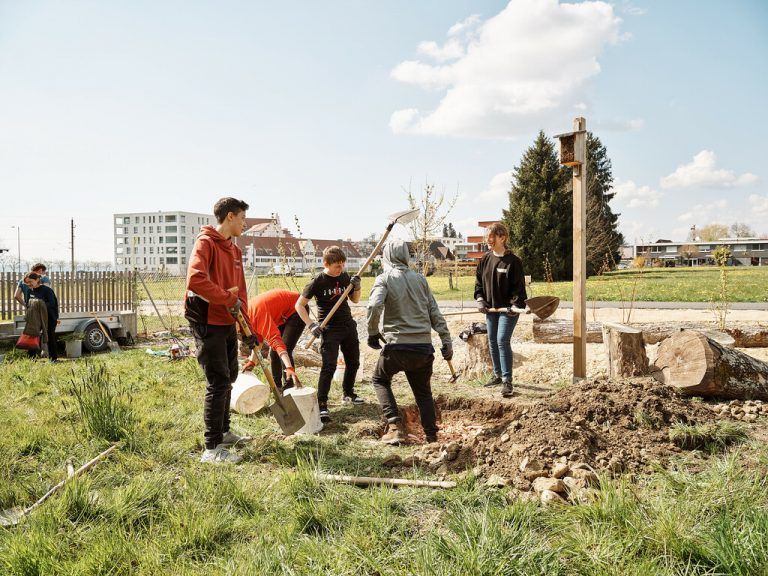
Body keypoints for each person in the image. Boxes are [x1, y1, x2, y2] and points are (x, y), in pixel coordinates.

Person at [184, 197, 257, 465]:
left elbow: (242, 294)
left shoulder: (235, 251)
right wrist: (227, 299)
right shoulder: (206, 243)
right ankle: (211, 448)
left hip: (227, 320)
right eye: (242, 218)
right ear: (229, 217)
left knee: (231, 375)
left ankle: (224, 431)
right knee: (218, 381)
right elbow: (195, 279)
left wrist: (246, 327)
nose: (244, 223)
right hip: (206, 319)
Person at [366, 240, 452, 445]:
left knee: (380, 379)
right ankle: (431, 436)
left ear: (387, 257)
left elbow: (374, 306)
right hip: (423, 350)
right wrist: (446, 340)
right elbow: (435, 313)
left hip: (397, 348)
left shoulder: (384, 278)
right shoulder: (421, 280)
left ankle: (395, 426)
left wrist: (372, 332)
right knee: (423, 392)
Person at [295, 245, 362, 422]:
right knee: (329, 367)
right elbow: (299, 305)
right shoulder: (317, 281)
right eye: (337, 266)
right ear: (326, 263)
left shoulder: (345, 276)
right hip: (330, 329)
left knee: (353, 362)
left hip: (348, 325)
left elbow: (355, 300)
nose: (341, 269)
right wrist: (311, 325)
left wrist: (357, 287)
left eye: (342, 265)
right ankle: (322, 404)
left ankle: (348, 394)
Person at [474, 222, 527, 398]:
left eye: (491, 237)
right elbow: (478, 284)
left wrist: (515, 305)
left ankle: (507, 381)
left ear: (502, 237)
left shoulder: (513, 262)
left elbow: (519, 289)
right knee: (492, 341)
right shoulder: (485, 260)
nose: (487, 240)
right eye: (486, 237)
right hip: (491, 309)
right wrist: (480, 300)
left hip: (508, 309)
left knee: (502, 340)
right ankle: (497, 375)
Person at [242, 288, 304, 390]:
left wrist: (289, 367)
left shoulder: (256, 315)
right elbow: (259, 340)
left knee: (285, 349)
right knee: (273, 353)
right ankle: (276, 387)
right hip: (282, 312)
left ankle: (289, 388)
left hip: (297, 308)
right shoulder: (246, 318)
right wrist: (252, 361)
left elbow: (276, 341)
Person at [24, 272, 59, 361]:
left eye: (30, 281)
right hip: (36, 318)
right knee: (33, 335)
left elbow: (52, 304)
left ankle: (53, 359)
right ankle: (31, 358)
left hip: (49, 317)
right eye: (26, 282)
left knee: (50, 337)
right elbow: (28, 303)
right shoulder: (29, 291)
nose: (28, 284)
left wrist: (38, 303)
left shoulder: (47, 290)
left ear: (37, 280)